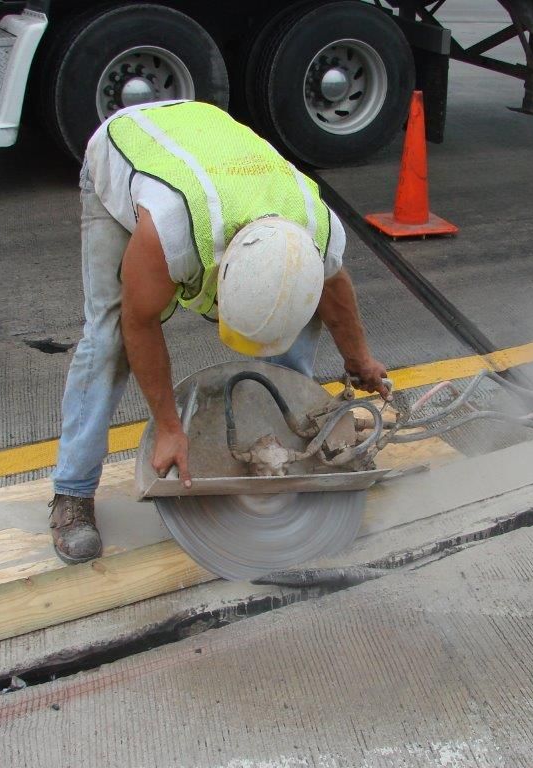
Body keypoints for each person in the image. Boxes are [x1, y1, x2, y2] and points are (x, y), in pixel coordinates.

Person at [49, 100, 390, 564]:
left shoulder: (318, 232)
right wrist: (169, 428)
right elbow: (139, 322)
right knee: (107, 339)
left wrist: (360, 360)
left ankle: (280, 437)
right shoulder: (170, 228)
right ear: (219, 278)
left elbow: (334, 291)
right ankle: (72, 491)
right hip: (128, 145)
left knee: (303, 307)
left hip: (211, 144)